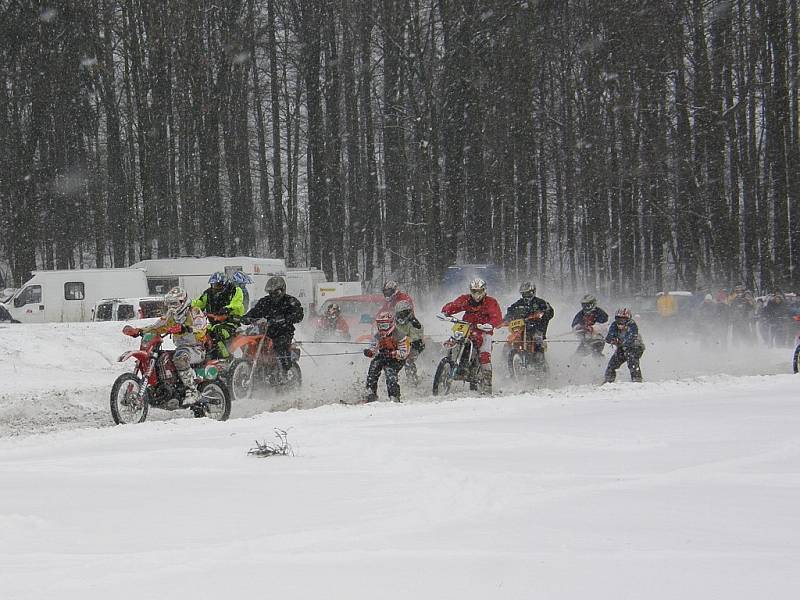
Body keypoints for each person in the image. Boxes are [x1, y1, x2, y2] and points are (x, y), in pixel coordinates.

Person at [127, 287, 208, 404]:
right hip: (182, 348)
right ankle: (163, 387)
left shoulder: (194, 312)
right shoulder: (171, 315)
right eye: (169, 304)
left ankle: (192, 390)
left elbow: (201, 329)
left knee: (179, 358)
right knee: (163, 357)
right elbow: (157, 327)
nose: (172, 306)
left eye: (174, 303)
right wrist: (139, 331)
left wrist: (185, 328)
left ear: (183, 301)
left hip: (196, 348)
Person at [440, 278, 503, 393]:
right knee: (453, 341)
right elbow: (454, 305)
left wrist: (491, 324)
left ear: (484, 290)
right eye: (474, 291)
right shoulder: (466, 299)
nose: (477, 294)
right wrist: (445, 312)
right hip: (466, 327)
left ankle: (487, 386)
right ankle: (449, 365)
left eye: (480, 291)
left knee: (484, 355)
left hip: (483, 331)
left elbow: (497, 317)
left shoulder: (490, 302)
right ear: (471, 291)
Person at [243, 276, 304, 376]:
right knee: (250, 343)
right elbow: (255, 311)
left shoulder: (290, 301)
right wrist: (246, 317)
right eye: (271, 292)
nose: (273, 295)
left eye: (276, 292)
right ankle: (249, 367)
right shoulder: (265, 301)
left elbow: (298, 314)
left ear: (283, 290)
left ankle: (284, 372)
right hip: (265, 332)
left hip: (283, 332)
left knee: (280, 345)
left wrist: (284, 319)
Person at [192, 272, 245, 359]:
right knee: (200, 333)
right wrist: (188, 305)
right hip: (213, 323)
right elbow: (199, 303)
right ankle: (203, 355)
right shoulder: (208, 293)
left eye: (218, 285)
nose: (215, 288)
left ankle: (226, 357)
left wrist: (227, 309)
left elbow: (237, 303)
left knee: (218, 331)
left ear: (224, 284)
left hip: (231, 323)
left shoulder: (234, 290)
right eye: (213, 285)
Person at [361, 311, 411, 403]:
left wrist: (394, 353)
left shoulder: (400, 335)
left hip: (397, 359)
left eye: (384, 326)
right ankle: (370, 393)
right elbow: (373, 347)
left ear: (391, 324)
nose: (382, 329)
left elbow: (405, 352)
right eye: (380, 326)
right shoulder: (377, 335)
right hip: (383, 355)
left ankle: (394, 396)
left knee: (390, 372)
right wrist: (370, 352)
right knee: (374, 366)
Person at [504, 281, 554, 362]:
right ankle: (504, 360)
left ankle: (540, 363)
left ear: (533, 292)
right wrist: (506, 319)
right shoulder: (518, 304)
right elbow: (510, 311)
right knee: (509, 340)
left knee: (538, 341)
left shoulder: (540, 302)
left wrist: (544, 313)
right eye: (524, 294)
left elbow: (550, 312)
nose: (526, 296)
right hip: (520, 328)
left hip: (536, 328)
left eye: (528, 293)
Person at [604, 308, 646, 383]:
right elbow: (609, 335)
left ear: (628, 320)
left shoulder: (632, 325)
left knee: (632, 359)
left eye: (623, 320)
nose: (620, 322)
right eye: (618, 319)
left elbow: (631, 337)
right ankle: (608, 380)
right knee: (612, 364)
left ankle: (637, 379)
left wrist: (621, 341)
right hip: (622, 348)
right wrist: (612, 339)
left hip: (636, 347)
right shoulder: (614, 325)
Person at [394, 299, 424, 385]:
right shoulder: (395, 323)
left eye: (403, 314)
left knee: (408, 360)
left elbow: (416, 338)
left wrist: (403, 341)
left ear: (409, 313)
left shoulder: (415, 324)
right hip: (401, 345)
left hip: (415, 345)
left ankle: (413, 380)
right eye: (399, 314)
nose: (401, 317)